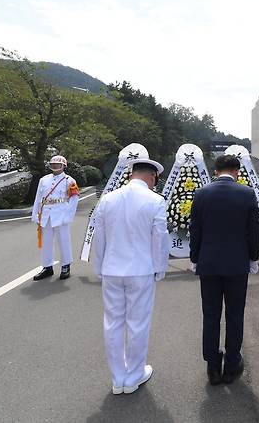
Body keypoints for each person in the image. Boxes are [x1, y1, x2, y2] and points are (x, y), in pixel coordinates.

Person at [93, 159, 169, 395]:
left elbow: (99, 236)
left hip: (111, 269)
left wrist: (99, 266)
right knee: (138, 323)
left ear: (131, 174)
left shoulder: (108, 199)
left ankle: (118, 379)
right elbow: (160, 238)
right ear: (152, 177)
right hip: (141, 270)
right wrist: (160, 267)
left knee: (113, 323)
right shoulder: (155, 200)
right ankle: (134, 375)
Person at [189, 154, 259, 385]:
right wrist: (252, 258)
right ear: (237, 171)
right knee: (234, 314)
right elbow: (253, 232)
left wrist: (194, 258)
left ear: (216, 171)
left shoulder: (201, 194)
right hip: (237, 265)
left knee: (210, 315)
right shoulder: (247, 194)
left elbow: (196, 230)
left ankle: (212, 366)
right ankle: (232, 364)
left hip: (208, 264)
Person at [31, 155, 79, 281]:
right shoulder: (43, 180)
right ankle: (47, 267)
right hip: (46, 213)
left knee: (63, 240)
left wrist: (68, 216)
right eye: (53, 163)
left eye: (58, 164)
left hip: (61, 213)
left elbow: (74, 199)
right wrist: (35, 214)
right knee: (46, 242)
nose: (55, 166)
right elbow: (38, 198)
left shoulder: (69, 180)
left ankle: (65, 265)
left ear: (64, 166)